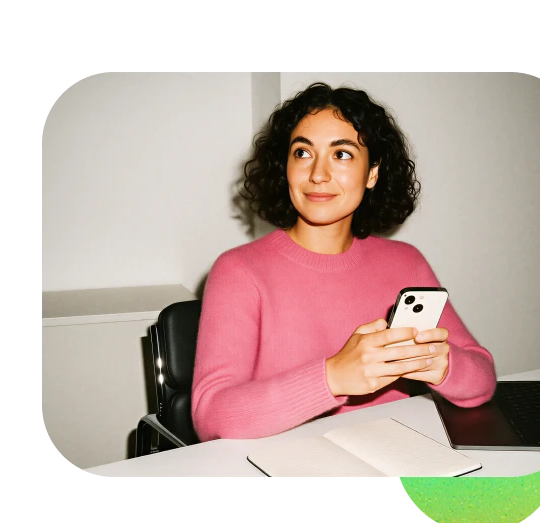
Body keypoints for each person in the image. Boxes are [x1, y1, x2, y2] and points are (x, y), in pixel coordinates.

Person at [191, 83, 496, 441]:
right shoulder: (239, 271)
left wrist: (441, 364)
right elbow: (211, 416)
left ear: (372, 173)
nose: (318, 174)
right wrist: (333, 376)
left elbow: (483, 379)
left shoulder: (406, 262)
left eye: (343, 154)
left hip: (392, 459)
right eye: (302, 153)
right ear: (284, 167)